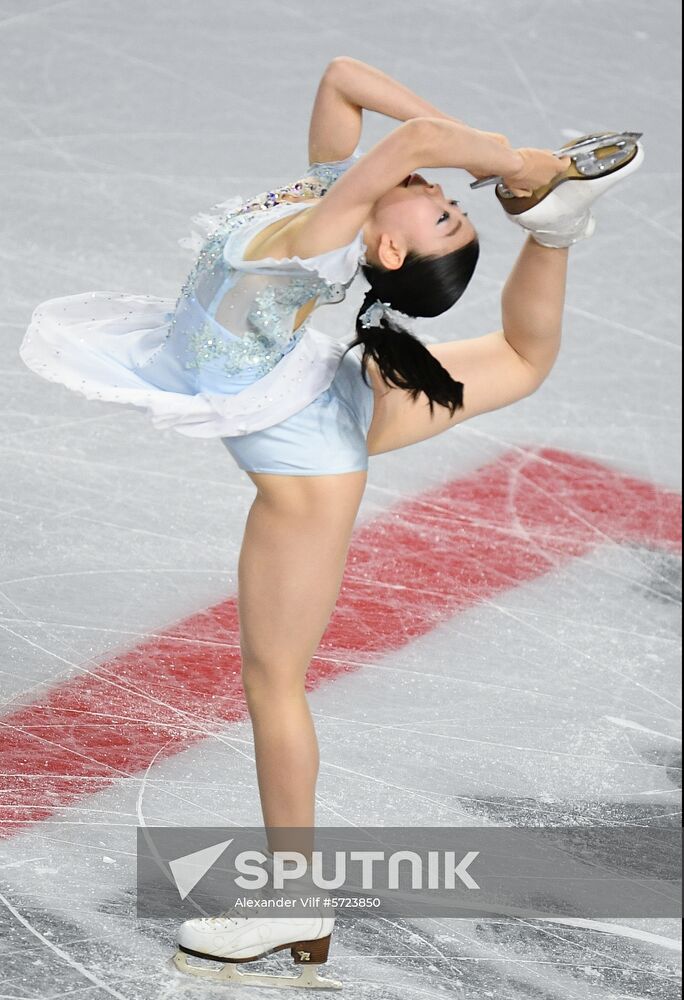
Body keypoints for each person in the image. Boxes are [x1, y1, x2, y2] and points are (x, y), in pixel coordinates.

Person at [19, 56, 643, 990]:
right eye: (445, 204)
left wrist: (510, 162)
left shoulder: (326, 230)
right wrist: (521, 178)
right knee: (520, 357)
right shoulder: (331, 191)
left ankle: (296, 901)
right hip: (312, 391)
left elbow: (421, 140)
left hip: (310, 469)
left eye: (440, 214)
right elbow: (345, 77)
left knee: (274, 684)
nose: (435, 192)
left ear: (387, 255)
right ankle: (555, 232)